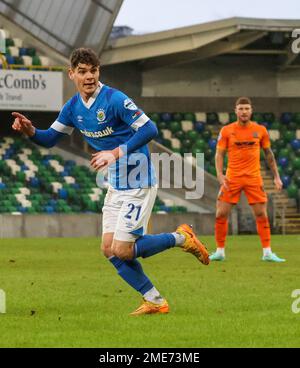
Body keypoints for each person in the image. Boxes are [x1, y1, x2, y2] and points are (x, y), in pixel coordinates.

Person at [12, 48, 209, 315]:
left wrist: (115, 153)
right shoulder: (72, 108)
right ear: (72, 75)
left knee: (123, 249)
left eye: (93, 70)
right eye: (82, 71)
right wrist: (31, 130)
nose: (89, 76)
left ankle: (181, 238)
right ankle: (154, 300)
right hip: (116, 184)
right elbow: (49, 139)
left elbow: (150, 128)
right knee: (109, 249)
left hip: (139, 181)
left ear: (98, 71)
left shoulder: (115, 99)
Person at [210, 97, 285, 262]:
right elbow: (219, 154)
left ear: (251, 110)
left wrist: (276, 177)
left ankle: (267, 252)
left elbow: (269, 155)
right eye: (241, 108)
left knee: (261, 214)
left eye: (247, 108)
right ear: (235, 110)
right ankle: (220, 251)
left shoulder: (260, 130)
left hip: (253, 178)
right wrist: (220, 174)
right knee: (221, 213)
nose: (244, 112)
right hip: (232, 178)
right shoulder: (227, 130)